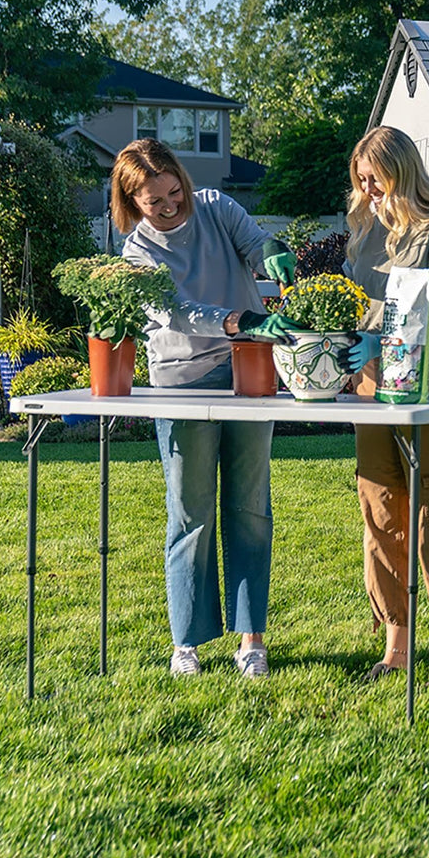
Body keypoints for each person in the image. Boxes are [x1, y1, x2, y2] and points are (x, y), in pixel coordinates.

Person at [110, 138, 298, 679]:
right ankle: (187, 643)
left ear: (183, 180)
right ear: (131, 203)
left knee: (250, 509)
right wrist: (240, 320)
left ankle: (251, 641)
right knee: (191, 514)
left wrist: (270, 255)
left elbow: (254, 240)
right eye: (154, 201)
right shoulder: (136, 255)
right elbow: (175, 312)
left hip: (247, 374)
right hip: (181, 382)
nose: (170, 206)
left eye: (174, 192)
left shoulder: (215, 205)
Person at [339, 126, 429, 686]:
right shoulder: (367, 233)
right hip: (373, 388)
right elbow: (351, 308)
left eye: (375, 178)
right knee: (381, 515)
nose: (367, 190)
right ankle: (396, 644)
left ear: (403, 172)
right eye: (361, 181)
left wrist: (381, 332)